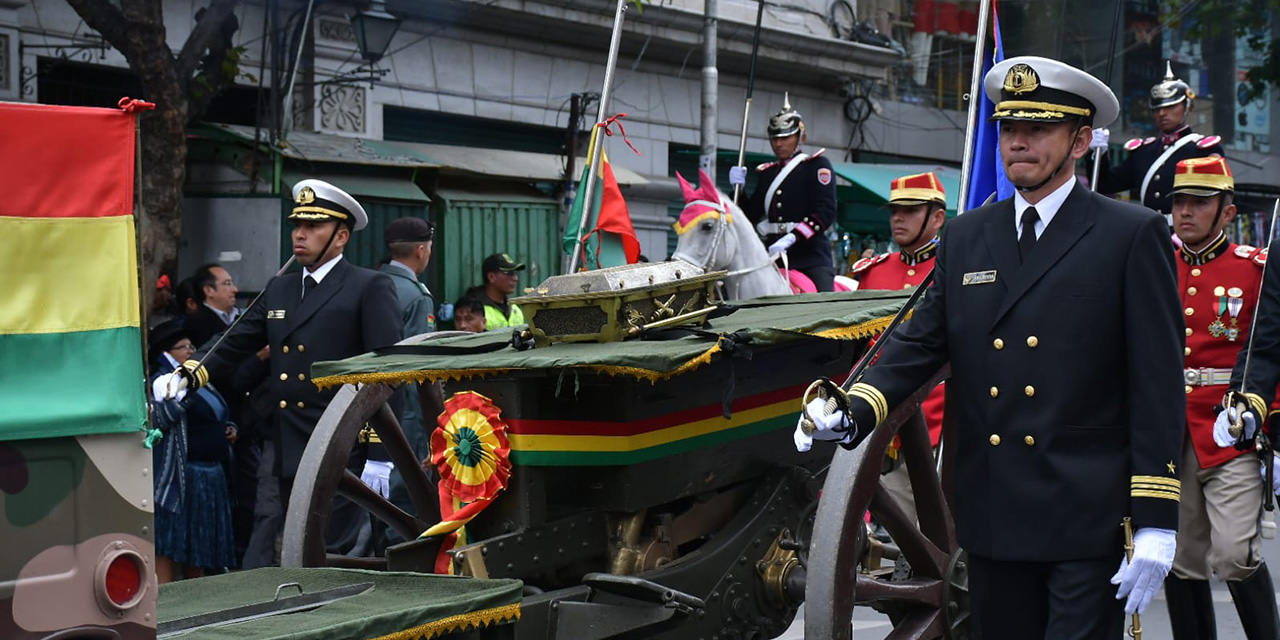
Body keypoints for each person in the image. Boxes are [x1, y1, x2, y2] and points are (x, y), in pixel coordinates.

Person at [798, 56, 1185, 637]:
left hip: (1087, 514)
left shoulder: (1129, 234)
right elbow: (919, 343)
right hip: (993, 511)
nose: (1019, 143)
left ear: (1080, 140)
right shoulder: (967, 234)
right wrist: (852, 407)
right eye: (1009, 129)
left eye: (1038, 129)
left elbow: (1156, 384)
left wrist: (1157, 519)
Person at [154, 178, 403, 557]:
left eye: (313, 226)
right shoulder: (281, 288)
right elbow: (236, 340)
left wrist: (381, 453)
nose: (299, 235)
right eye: (297, 226)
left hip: (341, 443)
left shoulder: (368, 286)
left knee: (334, 551)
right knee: (297, 545)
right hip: (290, 444)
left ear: (341, 237)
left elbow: (386, 373)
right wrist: (187, 372)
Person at [1163, 156, 1280, 640]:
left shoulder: (1255, 269)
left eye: (1199, 203)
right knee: (1182, 559)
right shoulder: (1154, 266)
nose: (1186, 212)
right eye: (1179, 202)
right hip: (1169, 429)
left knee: (1233, 553)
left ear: (1227, 213)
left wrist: (1271, 420)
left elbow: (1271, 347)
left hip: (1231, 428)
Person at [847, 172, 948, 520]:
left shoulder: (950, 270)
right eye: (894, 211)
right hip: (870, 414)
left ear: (937, 217)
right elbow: (856, 348)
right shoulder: (872, 272)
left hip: (932, 418)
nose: (898, 219)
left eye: (910, 210)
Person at [148, 321, 238, 582]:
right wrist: (182, 396)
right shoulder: (163, 382)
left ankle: (194, 600)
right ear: (168, 353)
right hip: (182, 476)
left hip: (210, 475)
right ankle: (165, 600)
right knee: (171, 541)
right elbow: (160, 419)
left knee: (199, 544)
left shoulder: (199, 380)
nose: (191, 351)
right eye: (184, 347)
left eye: (192, 346)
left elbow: (216, 413)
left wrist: (229, 427)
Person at [730, 93, 838, 291]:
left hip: (810, 257)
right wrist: (739, 189)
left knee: (826, 304)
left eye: (786, 137)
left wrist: (793, 237)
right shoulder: (767, 173)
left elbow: (825, 213)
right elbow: (749, 216)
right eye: (775, 138)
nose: (779, 144)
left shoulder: (816, 166)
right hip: (770, 256)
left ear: (800, 137)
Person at [1096, 61, 1224, 223]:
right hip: (1148, 234)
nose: (1162, 113)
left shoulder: (1202, 149)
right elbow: (1105, 185)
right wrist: (1098, 152)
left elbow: (1218, 199)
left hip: (1185, 236)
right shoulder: (1143, 151)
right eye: (1157, 109)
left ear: (1188, 107)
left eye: (1171, 107)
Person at [186, 263, 241, 348]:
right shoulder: (197, 324)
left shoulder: (242, 315)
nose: (235, 290)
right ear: (209, 290)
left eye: (232, 283)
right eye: (227, 283)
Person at [479, 253, 526, 330]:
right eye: (508, 273)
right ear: (491, 277)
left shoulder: (515, 309)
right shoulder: (474, 310)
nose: (515, 278)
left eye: (514, 273)